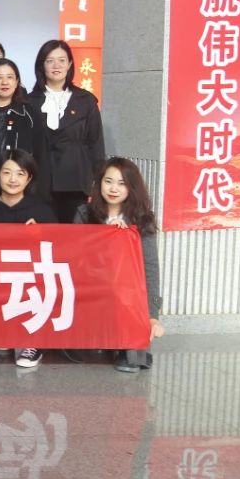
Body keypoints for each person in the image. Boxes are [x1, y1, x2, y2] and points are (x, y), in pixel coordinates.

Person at [74, 157, 163, 373]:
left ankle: (130, 350)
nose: (113, 189)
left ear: (131, 188)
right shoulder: (85, 213)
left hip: (126, 291)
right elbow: (76, 258)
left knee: (126, 291)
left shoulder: (141, 219)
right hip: (92, 284)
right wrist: (107, 239)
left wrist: (152, 315)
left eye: (122, 184)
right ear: (99, 183)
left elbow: (150, 267)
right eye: (108, 181)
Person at [0, 150, 56, 369]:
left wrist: (41, 236)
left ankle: (32, 343)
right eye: (6, 172)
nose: (12, 179)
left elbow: (59, 252)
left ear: (29, 178)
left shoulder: (42, 212)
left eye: (20, 173)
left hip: (28, 285)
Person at [30, 40, 106, 223]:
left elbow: (95, 144)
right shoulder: (28, 101)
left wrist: (97, 182)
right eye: (50, 61)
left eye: (62, 60)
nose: (56, 66)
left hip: (76, 182)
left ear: (70, 64)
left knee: (73, 234)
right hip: (39, 182)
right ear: (41, 65)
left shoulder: (86, 100)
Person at [0, 58, 50, 208]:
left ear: (17, 82)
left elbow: (41, 156)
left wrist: (42, 194)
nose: (5, 82)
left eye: (10, 77)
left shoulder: (30, 115)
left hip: (23, 194)